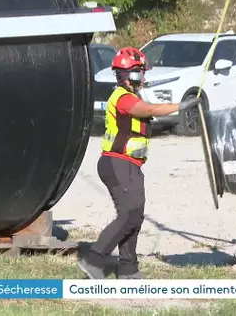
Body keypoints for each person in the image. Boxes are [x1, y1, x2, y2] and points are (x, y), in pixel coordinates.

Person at [77, 47, 201, 279]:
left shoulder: (132, 95)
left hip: (131, 165)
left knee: (135, 215)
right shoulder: (123, 98)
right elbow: (150, 110)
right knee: (128, 215)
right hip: (117, 163)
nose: (143, 77)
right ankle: (93, 260)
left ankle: (128, 269)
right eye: (140, 73)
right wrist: (182, 106)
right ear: (130, 74)